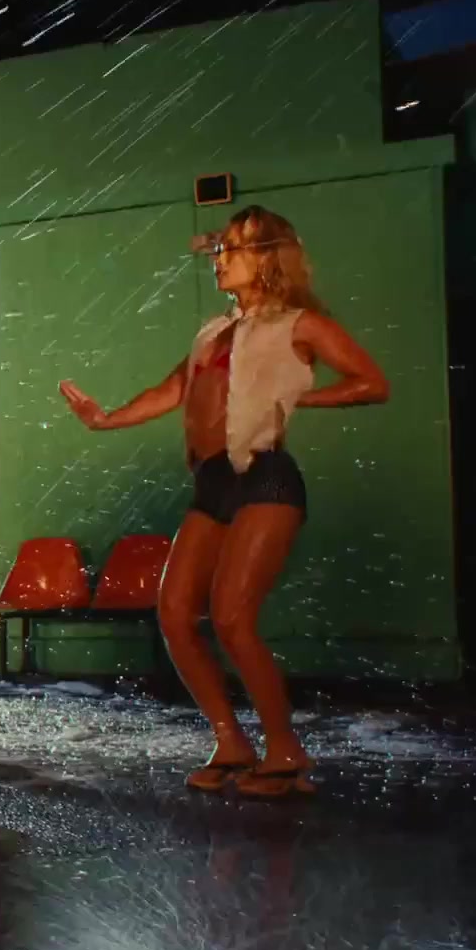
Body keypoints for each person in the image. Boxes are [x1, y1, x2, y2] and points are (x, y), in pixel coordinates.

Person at [58, 206, 388, 798]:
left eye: (233, 248)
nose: (220, 258)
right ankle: (231, 742)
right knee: (174, 615)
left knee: (233, 619)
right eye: (219, 248)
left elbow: (372, 382)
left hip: (266, 478)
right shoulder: (213, 332)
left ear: (267, 257)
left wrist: (300, 401)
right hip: (213, 482)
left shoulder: (300, 324)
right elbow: (174, 389)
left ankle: (285, 751)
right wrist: (105, 419)